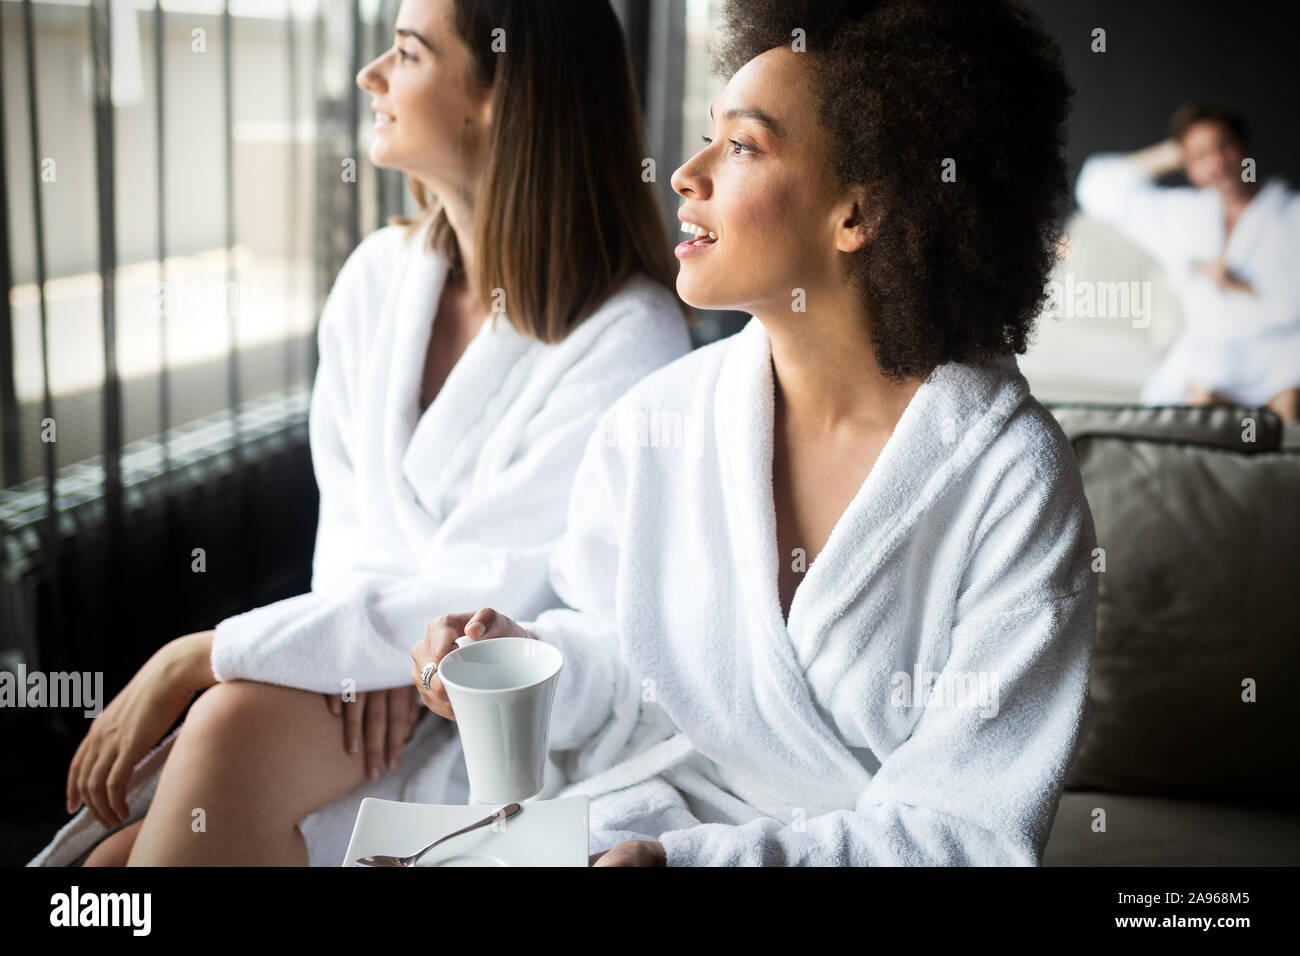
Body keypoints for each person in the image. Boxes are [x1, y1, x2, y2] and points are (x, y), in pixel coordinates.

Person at [411, 0, 1097, 866]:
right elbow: (629, 665)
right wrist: (531, 656)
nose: (686, 175)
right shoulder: (659, 421)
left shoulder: (1010, 483)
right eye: (709, 137)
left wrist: (699, 863)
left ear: (860, 212)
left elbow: (966, 829)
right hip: (624, 828)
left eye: (741, 146)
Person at [32, 0, 690, 867]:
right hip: (355, 691)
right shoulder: (378, 280)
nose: (368, 75)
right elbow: (347, 520)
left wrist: (201, 654)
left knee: (213, 737)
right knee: (104, 871)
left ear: (498, 98)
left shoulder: (627, 339)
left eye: (408, 53)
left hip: (498, 731)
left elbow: (507, 584)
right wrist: (358, 656)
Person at [1076, 102, 1300, 421]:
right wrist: (1171, 152)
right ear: (1187, 166)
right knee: (1193, 394)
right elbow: (1095, 189)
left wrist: (1242, 286)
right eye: (1200, 156)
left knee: (1290, 396)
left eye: (1224, 147)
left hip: (1280, 351)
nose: (1217, 163)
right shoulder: (1185, 215)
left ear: (1244, 148)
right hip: (1212, 358)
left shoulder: (1291, 213)